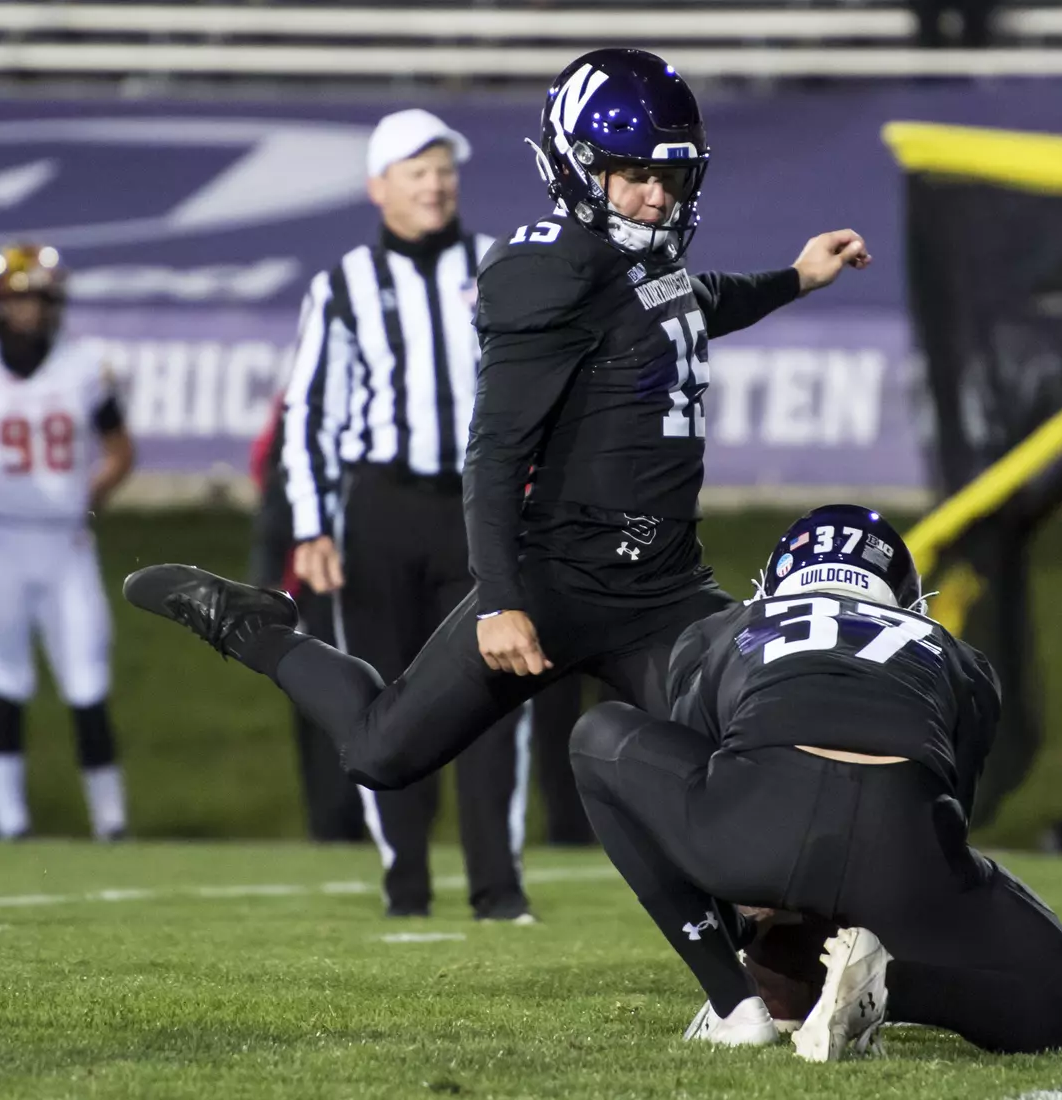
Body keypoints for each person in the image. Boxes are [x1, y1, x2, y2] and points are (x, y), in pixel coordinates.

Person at [119, 49, 868, 849]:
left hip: (661, 589)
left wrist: (794, 279)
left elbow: (691, 302)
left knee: (758, 741)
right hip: (557, 583)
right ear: (579, 169)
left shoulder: (644, 258)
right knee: (380, 751)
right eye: (634, 175)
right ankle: (252, 626)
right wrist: (502, 599)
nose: (657, 197)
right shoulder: (548, 268)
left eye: (672, 177)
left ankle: (771, 958)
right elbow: (497, 450)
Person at [568, 505, 1062, 1058]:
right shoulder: (956, 654)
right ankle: (885, 988)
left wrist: (749, 900)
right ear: (904, 597)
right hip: (902, 853)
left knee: (597, 735)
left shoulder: (723, 629)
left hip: (754, 832)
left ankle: (737, 1004)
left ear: (774, 583)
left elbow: (694, 775)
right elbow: (954, 805)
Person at [279, 108, 531, 920]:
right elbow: (311, 412)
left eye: (444, 170)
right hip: (381, 507)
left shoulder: (500, 265)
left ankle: (500, 892)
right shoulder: (345, 284)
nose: (435, 183)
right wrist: (311, 523)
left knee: (495, 695)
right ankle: (407, 890)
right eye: (416, 171)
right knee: (382, 700)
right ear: (377, 187)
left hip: (476, 510)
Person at [0, 243, 135, 841]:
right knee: (3, 680)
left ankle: (111, 821)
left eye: (39, 300)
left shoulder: (83, 366)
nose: (29, 312)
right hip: (2, 540)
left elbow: (119, 450)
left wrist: (86, 498)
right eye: (18, 299)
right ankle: (8, 817)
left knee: (87, 678)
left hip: (65, 543)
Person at [249, 395, 365, 843]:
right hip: (319, 581)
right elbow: (276, 495)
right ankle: (334, 826)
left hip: (381, 573)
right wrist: (271, 591)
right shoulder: (303, 400)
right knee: (326, 709)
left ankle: (380, 819)